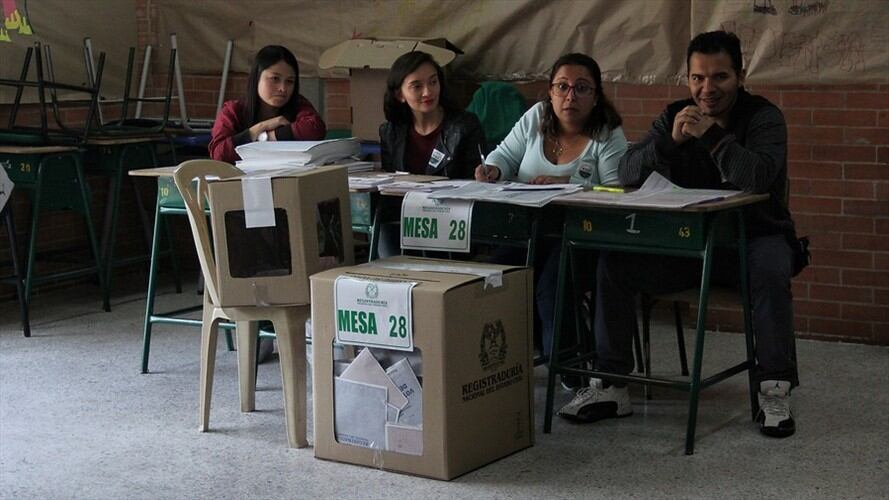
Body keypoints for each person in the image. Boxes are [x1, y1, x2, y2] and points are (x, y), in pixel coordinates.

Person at [557, 31, 799, 438]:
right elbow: (628, 173)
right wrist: (668, 145)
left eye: (719, 77)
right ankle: (612, 386)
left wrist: (713, 137)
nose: (707, 89)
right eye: (697, 78)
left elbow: (758, 177)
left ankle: (774, 388)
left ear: (740, 76)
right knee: (615, 263)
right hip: (687, 250)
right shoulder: (674, 116)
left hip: (751, 242)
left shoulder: (764, 117)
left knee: (773, 264)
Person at [475, 53, 628, 364]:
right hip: (530, 228)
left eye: (582, 88)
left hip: (583, 234)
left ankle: (571, 371)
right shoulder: (536, 117)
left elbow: (618, 194)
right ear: (550, 92)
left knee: (551, 288)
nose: (570, 96)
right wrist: (493, 169)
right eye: (562, 87)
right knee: (494, 279)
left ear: (596, 96)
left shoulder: (608, 132)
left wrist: (567, 182)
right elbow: (503, 155)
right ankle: (512, 362)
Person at [209, 45, 326, 164]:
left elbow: (315, 128)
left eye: (290, 81)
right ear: (257, 78)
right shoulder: (233, 110)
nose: (283, 88)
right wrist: (260, 128)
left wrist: (265, 137)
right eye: (275, 78)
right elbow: (219, 154)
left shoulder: (298, 104)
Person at [379, 51, 486, 178]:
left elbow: (476, 182)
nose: (428, 92)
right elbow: (389, 185)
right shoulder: (390, 132)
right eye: (417, 86)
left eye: (433, 82)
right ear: (400, 95)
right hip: (404, 198)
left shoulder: (465, 126)